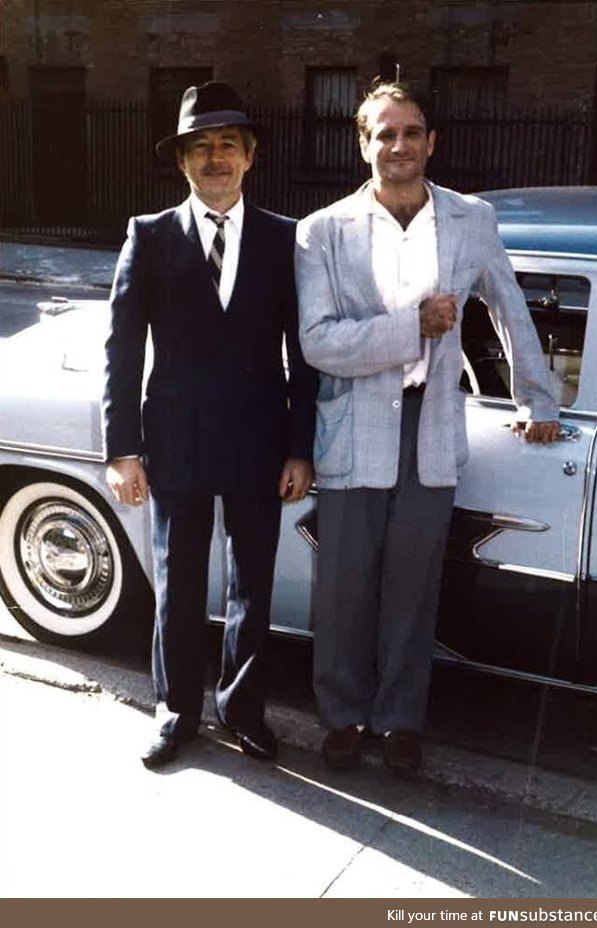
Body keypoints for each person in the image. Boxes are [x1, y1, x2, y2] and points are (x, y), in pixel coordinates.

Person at [295, 81, 559, 777]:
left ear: (431, 141)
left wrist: (539, 398)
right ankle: (344, 717)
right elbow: (319, 342)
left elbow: (508, 305)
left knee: (413, 587)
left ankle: (400, 723)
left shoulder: (470, 219)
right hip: (353, 428)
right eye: (384, 134)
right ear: (363, 144)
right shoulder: (321, 231)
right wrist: (412, 326)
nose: (399, 146)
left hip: (433, 428)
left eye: (411, 132)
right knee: (345, 584)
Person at [102, 81, 317, 769]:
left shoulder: (288, 239)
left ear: (250, 157)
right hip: (177, 442)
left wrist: (300, 449)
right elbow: (122, 349)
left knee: (252, 585)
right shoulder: (150, 235)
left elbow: (304, 354)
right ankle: (176, 712)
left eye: (227, 145)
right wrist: (123, 450)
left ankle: (244, 708)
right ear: (183, 162)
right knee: (179, 582)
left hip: (260, 441)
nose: (215, 158)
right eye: (201, 148)